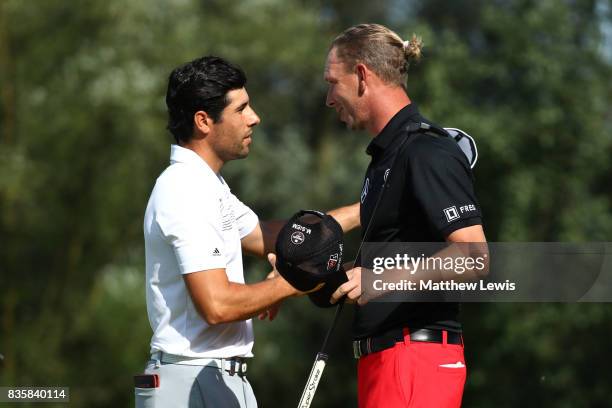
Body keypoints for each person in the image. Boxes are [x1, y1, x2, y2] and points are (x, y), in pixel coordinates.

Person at [138, 56, 359, 408]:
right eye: (241, 109)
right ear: (203, 121)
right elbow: (218, 304)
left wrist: (366, 207)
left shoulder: (209, 187)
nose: (254, 117)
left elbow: (275, 236)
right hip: (192, 381)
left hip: (214, 379)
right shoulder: (184, 190)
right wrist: (295, 282)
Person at [324, 24, 487, 407]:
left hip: (415, 359)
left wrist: (377, 279)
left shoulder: (426, 150)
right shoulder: (388, 155)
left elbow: (474, 256)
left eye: (333, 82)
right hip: (390, 361)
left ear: (362, 75)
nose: (329, 98)